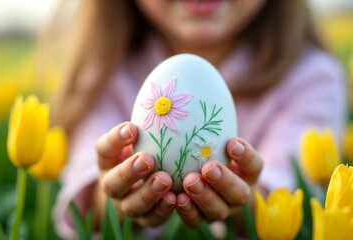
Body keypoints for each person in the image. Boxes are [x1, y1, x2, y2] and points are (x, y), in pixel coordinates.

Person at [50, 0, 347, 238]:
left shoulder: (310, 78)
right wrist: (112, 199)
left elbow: (290, 197)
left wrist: (248, 202)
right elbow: (87, 195)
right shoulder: (101, 75)